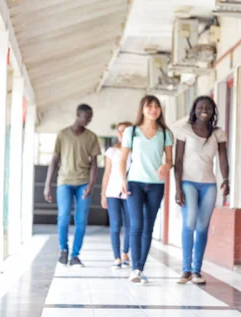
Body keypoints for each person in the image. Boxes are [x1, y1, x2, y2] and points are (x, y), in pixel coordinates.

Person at [173, 96, 230, 285]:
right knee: (189, 222)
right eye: (200, 107)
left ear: (213, 111)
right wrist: (177, 187)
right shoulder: (185, 130)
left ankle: (197, 270)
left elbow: (223, 158)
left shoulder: (218, 133)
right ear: (194, 109)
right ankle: (185, 269)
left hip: (209, 184)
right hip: (187, 182)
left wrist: (226, 179)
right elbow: (178, 160)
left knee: (203, 227)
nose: (204, 110)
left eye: (208, 107)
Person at [120, 96, 173, 284]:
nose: (153, 109)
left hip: (156, 185)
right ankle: (134, 268)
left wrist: (165, 167)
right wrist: (122, 180)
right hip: (135, 182)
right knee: (136, 225)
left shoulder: (165, 133)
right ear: (142, 109)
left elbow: (169, 160)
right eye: (149, 106)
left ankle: (140, 267)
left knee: (148, 227)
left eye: (156, 106)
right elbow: (123, 158)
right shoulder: (131, 131)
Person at [44, 104, 101, 267]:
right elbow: (54, 160)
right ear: (78, 115)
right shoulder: (63, 135)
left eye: (91, 117)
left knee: (81, 220)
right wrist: (47, 184)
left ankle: (75, 255)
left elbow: (94, 164)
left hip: (83, 182)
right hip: (64, 182)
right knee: (63, 217)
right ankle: (63, 250)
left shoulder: (91, 137)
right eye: (86, 117)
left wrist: (91, 185)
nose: (89, 120)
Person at [101, 121, 132, 269]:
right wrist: (103, 194)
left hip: (129, 192)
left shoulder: (135, 151)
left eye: (125, 131)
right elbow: (107, 173)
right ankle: (117, 257)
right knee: (115, 225)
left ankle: (125, 252)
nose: (121, 134)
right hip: (112, 192)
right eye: (119, 131)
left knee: (129, 225)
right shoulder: (111, 151)